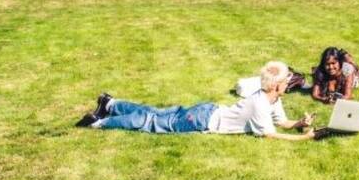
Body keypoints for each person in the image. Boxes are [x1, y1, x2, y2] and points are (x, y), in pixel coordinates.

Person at [75, 61, 322, 140]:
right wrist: (304, 137)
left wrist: (299, 122)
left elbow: (282, 123)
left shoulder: (271, 99)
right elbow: (270, 134)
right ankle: (98, 123)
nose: (289, 84)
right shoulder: (259, 104)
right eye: (287, 81)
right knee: (152, 121)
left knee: (156, 112)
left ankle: (110, 103)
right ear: (276, 85)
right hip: (203, 119)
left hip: (208, 110)